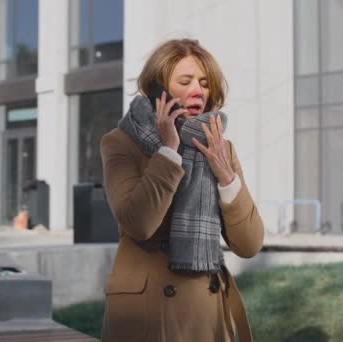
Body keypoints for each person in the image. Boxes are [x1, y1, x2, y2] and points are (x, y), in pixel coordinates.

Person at [100, 39, 264, 342]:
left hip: (208, 313)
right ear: (158, 89)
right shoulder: (121, 142)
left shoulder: (219, 146)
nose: (198, 91)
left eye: (204, 83)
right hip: (149, 314)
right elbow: (138, 223)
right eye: (185, 81)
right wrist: (169, 151)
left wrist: (226, 176)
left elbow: (250, 245)